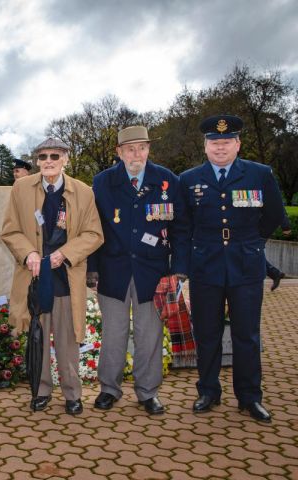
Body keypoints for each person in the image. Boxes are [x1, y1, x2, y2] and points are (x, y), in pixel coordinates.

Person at [180, 114, 285, 423]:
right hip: (205, 266)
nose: (220, 147)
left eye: (226, 142)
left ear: (238, 144)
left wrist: (251, 242)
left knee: (247, 335)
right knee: (208, 334)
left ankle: (250, 397)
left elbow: (274, 214)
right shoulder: (188, 179)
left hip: (246, 265)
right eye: (214, 142)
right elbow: (183, 226)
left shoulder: (259, 174)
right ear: (205, 145)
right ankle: (208, 391)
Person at [87, 126, 189, 415]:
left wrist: (179, 269)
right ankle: (109, 389)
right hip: (113, 270)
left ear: (148, 149)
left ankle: (147, 393)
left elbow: (181, 229)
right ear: (119, 152)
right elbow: (93, 228)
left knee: (149, 334)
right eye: (129, 149)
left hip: (153, 273)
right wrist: (91, 268)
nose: (136, 154)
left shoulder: (167, 181)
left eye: (141, 147)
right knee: (114, 333)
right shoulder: (103, 182)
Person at [1, 138, 104, 415]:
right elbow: (10, 231)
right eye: (43, 156)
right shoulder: (21, 189)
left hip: (66, 277)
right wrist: (29, 254)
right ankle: (42, 390)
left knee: (68, 340)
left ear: (65, 159)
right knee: (39, 336)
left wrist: (66, 253)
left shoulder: (83, 192)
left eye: (55, 156)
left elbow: (94, 234)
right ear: (36, 161)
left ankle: (72, 394)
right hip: (35, 277)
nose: (49, 161)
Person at [266, 211, 291, 290]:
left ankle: (275, 273)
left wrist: (285, 226)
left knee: (252, 254)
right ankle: (275, 273)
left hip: (257, 229)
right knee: (252, 255)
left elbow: (278, 206)